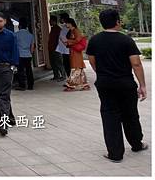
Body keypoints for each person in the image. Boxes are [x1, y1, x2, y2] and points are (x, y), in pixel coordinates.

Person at [86, 9, 148, 162]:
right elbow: (136, 64)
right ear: (117, 22)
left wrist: (103, 73)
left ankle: (115, 153)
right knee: (130, 114)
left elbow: (92, 61)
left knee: (109, 116)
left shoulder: (94, 40)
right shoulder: (126, 40)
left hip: (105, 84)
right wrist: (142, 85)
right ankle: (136, 144)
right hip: (126, 84)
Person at [63, 18, 90, 91]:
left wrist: (68, 41)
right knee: (79, 68)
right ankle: (84, 85)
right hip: (74, 50)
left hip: (76, 51)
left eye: (67, 23)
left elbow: (78, 39)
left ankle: (71, 85)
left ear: (70, 23)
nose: (66, 24)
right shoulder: (72, 31)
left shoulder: (75, 30)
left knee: (76, 67)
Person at [14, 17, 35, 91]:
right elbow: (32, 47)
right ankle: (30, 85)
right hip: (28, 55)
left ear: (19, 25)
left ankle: (22, 85)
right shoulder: (30, 35)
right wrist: (30, 53)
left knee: (21, 71)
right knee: (29, 70)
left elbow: (14, 46)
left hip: (20, 55)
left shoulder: (16, 35)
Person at [48, 15, 65, 81]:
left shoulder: (58, 29)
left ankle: (63, 76)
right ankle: (56, 76)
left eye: (50, 21)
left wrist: (58, 48)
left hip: (57, 49)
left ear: (53, 21)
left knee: (58, 63)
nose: (49, 22)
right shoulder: (52, 29)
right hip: (51, 49)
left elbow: (60, 40)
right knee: (53, 63)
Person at [56, 12, 71, 78]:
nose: (59, 20)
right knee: (66, 65)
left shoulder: (69, 27)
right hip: (64, 50)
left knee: (68, 65)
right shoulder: (64, 26)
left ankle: (70, 78)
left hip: (67, 49)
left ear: (64, 19)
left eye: (60, 18)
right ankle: (69, 78)